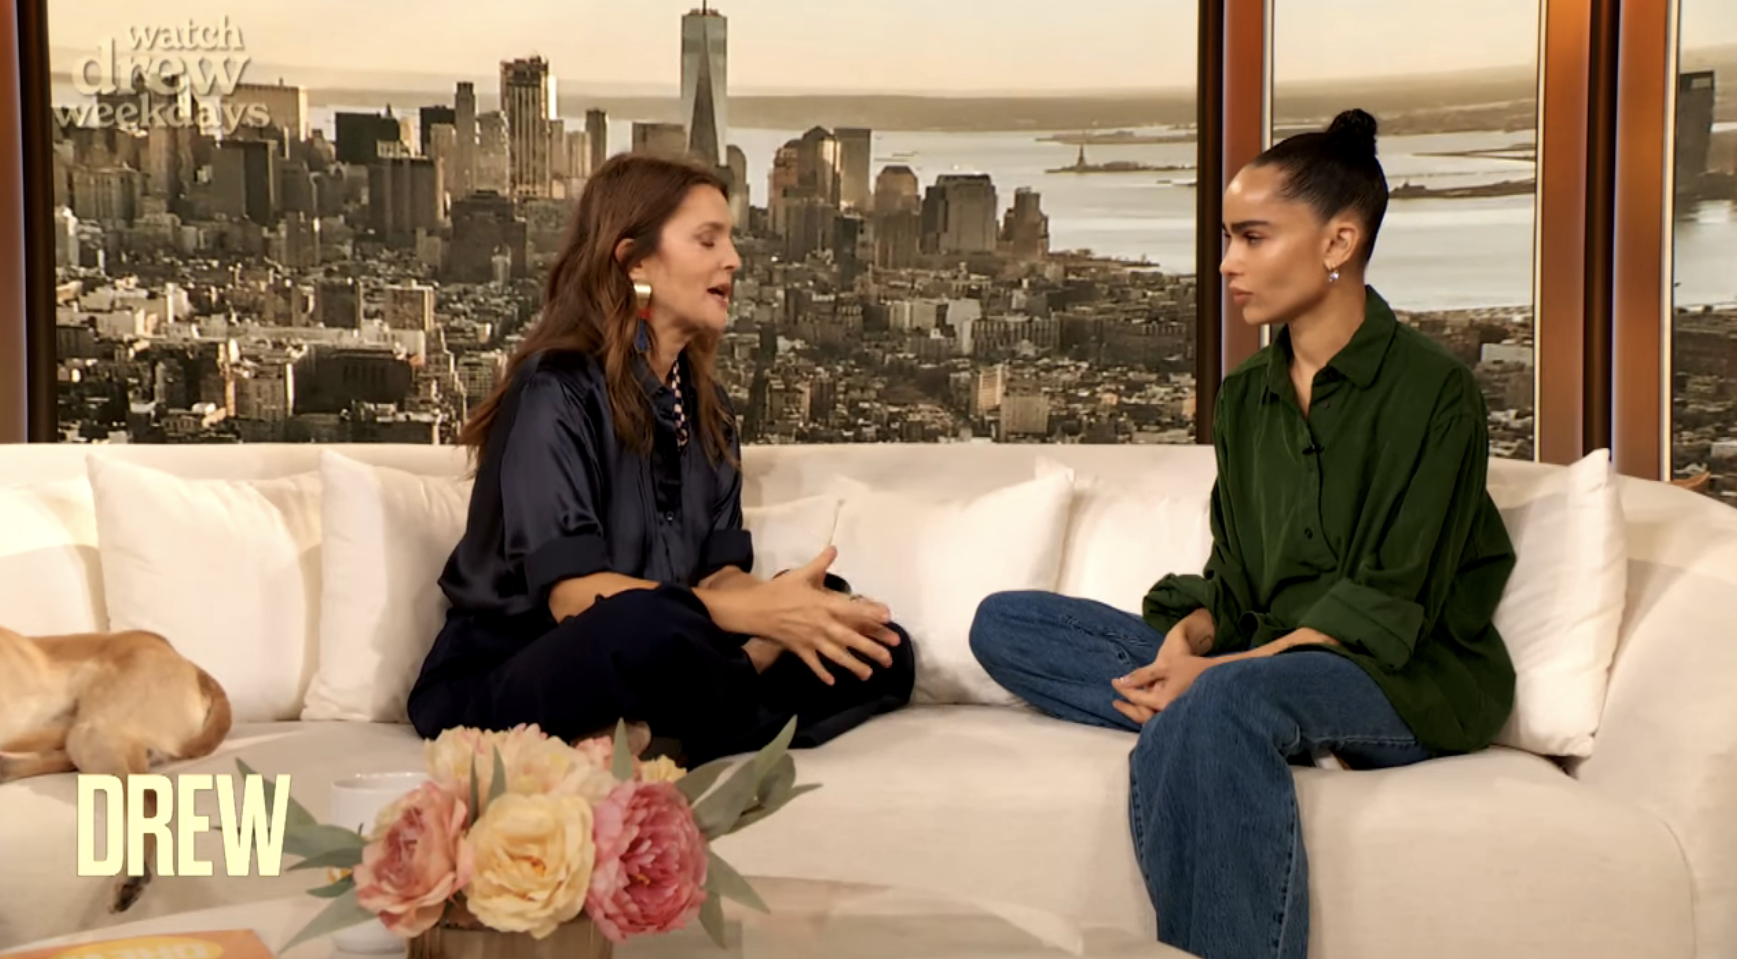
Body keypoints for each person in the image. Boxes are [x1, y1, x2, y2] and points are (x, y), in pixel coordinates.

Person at [968, 109, 1517, 959]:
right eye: (1226, 238)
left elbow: (1388, 601)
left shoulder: (1434, 392)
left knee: (1218, 701)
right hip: (1258, 660)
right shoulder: (1247, 394)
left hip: (1398, 676)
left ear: (1338, 243)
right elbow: (1230, 578)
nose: (1225, 263)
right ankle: (1241, 734)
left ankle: (1234, 724)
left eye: (1253, 238)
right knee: (1005, 621)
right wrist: (1190, 644)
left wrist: (1214, 677)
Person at [407, 153, 914, 765]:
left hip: (673, 653)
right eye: (708, 240)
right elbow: (573, 600)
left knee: (876, 643)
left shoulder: (710, 410)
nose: (734, 260)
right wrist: (755, 620)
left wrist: (787, 608)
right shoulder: (555, 389)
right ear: (634, 260)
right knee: (639, 624)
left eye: (730, 240)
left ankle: (658, 728)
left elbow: (720, 576)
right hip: (523, 667)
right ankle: (713, 704)